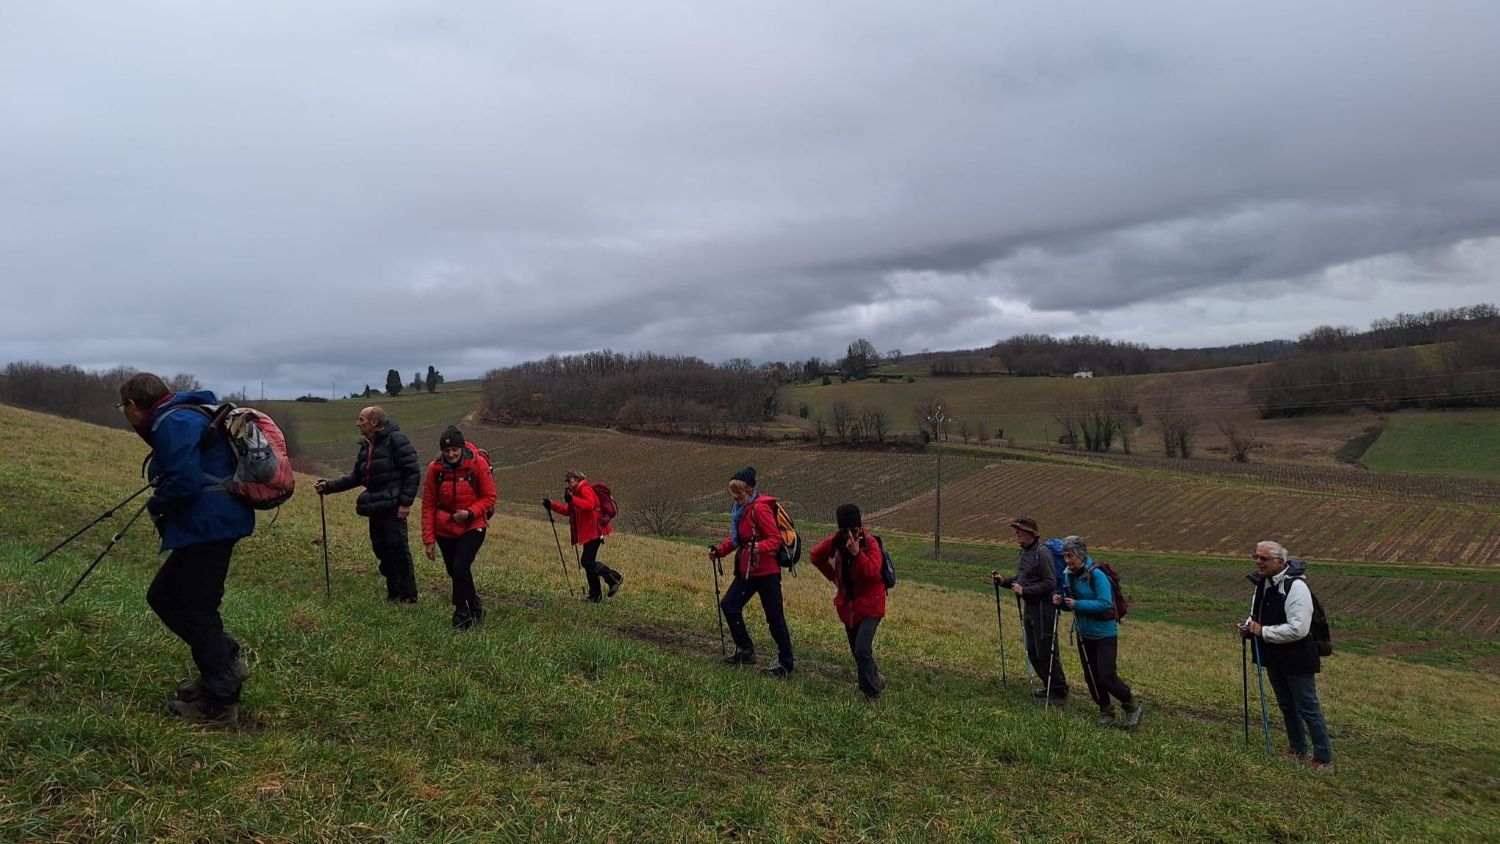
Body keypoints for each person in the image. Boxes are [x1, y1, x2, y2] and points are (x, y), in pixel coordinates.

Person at [118, 372, 254, 727]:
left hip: (211, 525)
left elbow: (186, 480)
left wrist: (157, 505)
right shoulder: (183, 414)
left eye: (123, 408)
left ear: (132, 405)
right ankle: (224, 661)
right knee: (163, 596)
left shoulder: (172, 422)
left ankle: (220, 702)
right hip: (211, 523)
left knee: (197, 609)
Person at [1241, 541, 1334, 770]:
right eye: (1256, 557)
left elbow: (1298, 629)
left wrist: (1262, 631)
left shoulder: (1296, 587)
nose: (1258, 562)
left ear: (1280, 562)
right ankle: (1297, 749)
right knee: (1287, 705)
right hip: (1274, 655)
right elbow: (1255, 615)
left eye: (1263, 559)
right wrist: (1248, 627)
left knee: (1307, 707)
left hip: (1297, 657)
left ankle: (1323, 758)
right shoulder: (1262, 584)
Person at [314, 406, 421, 603]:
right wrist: (328, 487)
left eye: (362, 420)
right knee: (381, 550)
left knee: (398, 550)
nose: (358, 424)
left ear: (374, 423)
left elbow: (413, 471)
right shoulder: (366, 446)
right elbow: (357, 476)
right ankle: (394, 593)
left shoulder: (397, 440)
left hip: (393, 507)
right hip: (375, 507)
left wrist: (406, 503)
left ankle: (409, 596)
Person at [710, 467, 795, 677]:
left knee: (774, 618)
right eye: (733, 491)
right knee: (729, 605)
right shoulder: (740, 510)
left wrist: (759, 547)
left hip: (767, 573)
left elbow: (775, 539)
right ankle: (745, 649)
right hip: (747, 571)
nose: (735, 495)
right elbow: (737, 539)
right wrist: (719, 551)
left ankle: (786, 663)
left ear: (749, 490)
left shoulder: (760, 509)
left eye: (739, 491)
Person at [1054, 536, 1141, 728]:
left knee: (1106, 675)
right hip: (1084, 632)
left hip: (1104, 633)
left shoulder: (1097, 575)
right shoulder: (1069, 575)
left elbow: (1105, 603)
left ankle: (1131, 706)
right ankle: (1106, 710)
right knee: (1091, 676)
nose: (1067, 560)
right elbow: (1071, 604)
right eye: (1065, 556)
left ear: (1081, 555)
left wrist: (1077, 604)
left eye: (1070, 555)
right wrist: (1062, 603)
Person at [808, 504, 887, 701]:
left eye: (854, 530)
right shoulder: (836, 542)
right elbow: (815, 556)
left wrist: (857, 554)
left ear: (860, 527)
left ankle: (871, 694)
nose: (850, 535)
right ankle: (876, 677)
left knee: (862, 648)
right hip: (849, 607)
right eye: (845, 531)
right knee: (857, 650)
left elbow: (873, 573)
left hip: (872, 605)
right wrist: (832, 576)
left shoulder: (870, 544)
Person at [421, 426, 497, 631]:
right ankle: (475, 605)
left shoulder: (477, 464)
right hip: (445, 528)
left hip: (473, 524)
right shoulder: (435, 470)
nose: (451, 454)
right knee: (455, 571)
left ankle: (461, 614)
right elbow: (428, 505)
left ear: (462, 448)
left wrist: (470, 513)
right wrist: (428, 540)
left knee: (460, 567)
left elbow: (490, 497)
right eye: (446, 450)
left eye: (454, 449)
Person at [993, 516, 1068, 703]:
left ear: (1031, 533)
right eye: (1016, 530)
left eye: (1020, 530)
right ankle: (1049, 686)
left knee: (1046, 652)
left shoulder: (1042, 553)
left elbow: (1050, 583)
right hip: (1030, 607)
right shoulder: (1025, 553)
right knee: (1032, 651)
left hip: (1044, 608)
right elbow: (1022, 579)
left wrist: (1025, 590)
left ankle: (1059, 692)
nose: (1017, 534)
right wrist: (1004, 582)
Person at [543, 469, 622, 603]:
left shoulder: (585, 489)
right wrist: (552, 505)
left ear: (577, 479)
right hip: (589, 533)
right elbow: (569, 511)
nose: (568, 483)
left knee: (587, 562)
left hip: (595, 532)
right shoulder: (575, 493)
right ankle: (595, 596)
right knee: (588, 563)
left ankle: (614, 578)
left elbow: (589, 505)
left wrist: (572, 499)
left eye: (570, 480)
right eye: (567, 481)